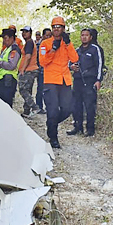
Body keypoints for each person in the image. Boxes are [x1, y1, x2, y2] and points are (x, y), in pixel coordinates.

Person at [39, 17, 79, 148]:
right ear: (52, 28)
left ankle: (52, 123)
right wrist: (53, 50)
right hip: (50, 81)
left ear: (63, 29)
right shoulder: (45, 43)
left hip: (65, 80)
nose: (57, 29)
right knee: (52, 110)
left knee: (68, 109)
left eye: (59, 27)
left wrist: (68, 44)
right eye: (54, 27)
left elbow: (74, 58)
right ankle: (53, 138)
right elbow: (43, 62)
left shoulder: (66, 43)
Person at [68, 28, 103, 136]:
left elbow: (100, 65)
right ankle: (78, 127)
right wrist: (71, 66)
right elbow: (69, 62)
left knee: (89, 106)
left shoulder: (95, 49)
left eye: (86, 35)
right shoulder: (77, 50)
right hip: (77, 81)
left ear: (90, 37)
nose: (84, 37)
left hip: (90, 81)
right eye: (82, 35)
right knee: (75, 105)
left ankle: (90, 129)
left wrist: (98, 80)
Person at [0, 28, 21, 107]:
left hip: (7, 81)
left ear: (12, 38)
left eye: (5, 38)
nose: (4, 41)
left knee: (5, 107)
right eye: (3, 38)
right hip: (2, 80)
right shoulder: (7, 49)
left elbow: (11, 65)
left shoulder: (14, 50)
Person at [18, 26, 41, 118]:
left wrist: (23, 69)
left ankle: (35, 107)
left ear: (30, 33)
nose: (24, 33)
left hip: (29, 70)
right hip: (31, 69)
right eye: (23, 32)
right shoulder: (28, 43)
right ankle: (26, 111)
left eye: (26, 32)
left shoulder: (29, 43)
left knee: (22, 89)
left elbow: (28, 57)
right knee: (27, 90)